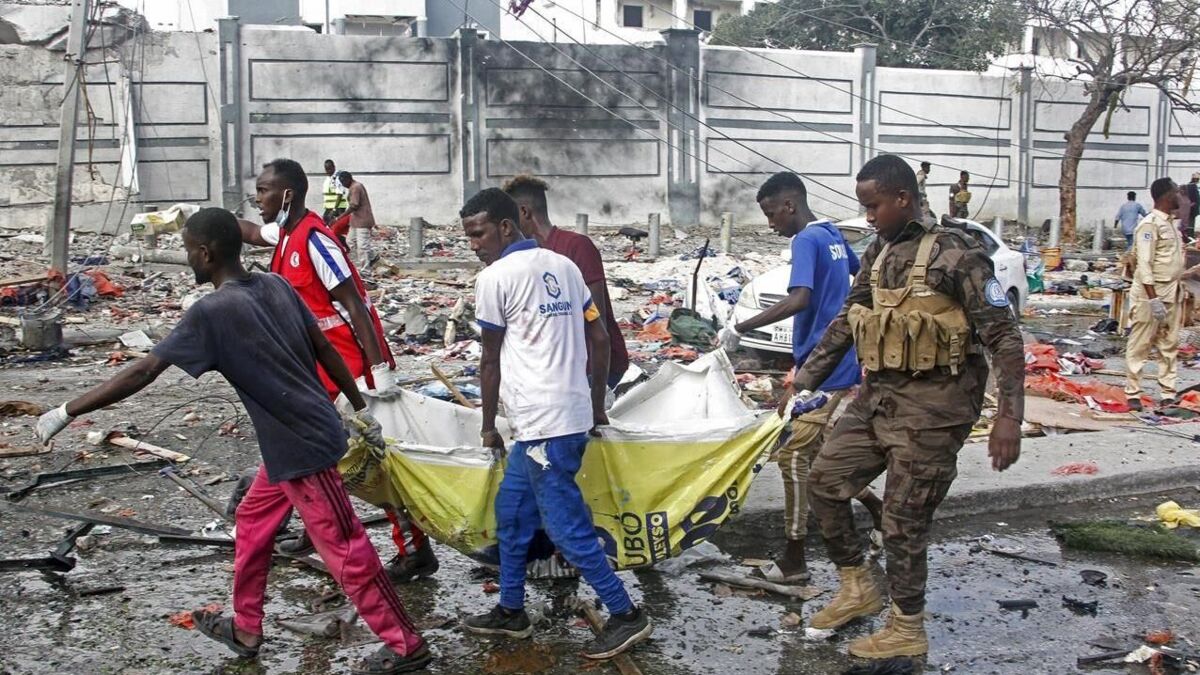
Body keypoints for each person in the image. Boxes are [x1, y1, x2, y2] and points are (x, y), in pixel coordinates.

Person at [35, 208, 430, 674]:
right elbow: (323, 348)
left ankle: (406, 645)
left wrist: (67, 410)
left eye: (188, 251)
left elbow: (143, 371)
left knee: (345, 549)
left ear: (206, 253)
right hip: (289, 444)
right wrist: (358, 409)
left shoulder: (212, 311)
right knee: (253, 520)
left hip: (304, 447)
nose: (188, 259)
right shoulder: (276, 285)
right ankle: (245, 627)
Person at [793, 154, 1024, 659]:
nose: (868, 216)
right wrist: (803, 381)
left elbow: (1004, 338)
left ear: (903, 198)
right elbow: (848, 318)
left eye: (873, 205)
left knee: (904, 521)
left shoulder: (958, 254)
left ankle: (906, 627)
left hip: (936, 410)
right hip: (879, 400)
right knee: (825, 482)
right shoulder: (878, 252)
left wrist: (1009, 417)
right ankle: (857, 587)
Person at [458, 188, 652, 660]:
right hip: (559, 419)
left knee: (566, 528)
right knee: (511, 515)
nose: (474, 245)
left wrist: (487, 425)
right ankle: (511, 609)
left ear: (506, 226)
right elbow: (599, 337)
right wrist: (595, 402)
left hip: (543, 425)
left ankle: (626, 614)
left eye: (478, 234)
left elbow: (490, 360)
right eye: (468, 236)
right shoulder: (564, 267)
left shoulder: (495, 278)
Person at [237, 158, 438, 583]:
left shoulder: (316, 240)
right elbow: (252, 233)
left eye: (263, 191)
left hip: (351, 370)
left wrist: (378, 371)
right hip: (319, 370)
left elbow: (356, 305)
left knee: (375, 464)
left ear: (287, 195)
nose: (258, 200)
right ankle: (317, 528)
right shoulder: (285, 235)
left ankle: (416, 550)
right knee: (314, 455)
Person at [714, 172, 884, 584]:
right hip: (832, 361)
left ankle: (794, 559)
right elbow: (861, 274)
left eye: (772, 214)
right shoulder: (832, 233)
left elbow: (799, 298)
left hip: (824, 370)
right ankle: (879, 512)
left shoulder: (806, 240)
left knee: (792, 457)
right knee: (818, 453)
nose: (771, 223)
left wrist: (740, 326)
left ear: (789, 205)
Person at [501, 174, 630, 390]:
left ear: (524, 212)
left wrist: (593, 385)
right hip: (558, 369)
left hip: (593, 367)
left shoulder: (576, 246)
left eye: (509, 218)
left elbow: (596, 318)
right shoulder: (527, 256)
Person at [1125, 177, 1185, 411]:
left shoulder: (1171, 224)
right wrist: (1153, 299)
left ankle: (1168, 392)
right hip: (1151, 295)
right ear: (1166, 196)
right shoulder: (1149, 225)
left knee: (1169, 344)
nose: (1181, 197)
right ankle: (1133, 393)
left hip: (1172, 293)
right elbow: (1145, 264)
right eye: (1177, 192)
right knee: (1140, 344)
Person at [342, 171, 376, 271]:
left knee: (362, 246)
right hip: (355, 221)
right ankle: (371, 257)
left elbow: (354, 205)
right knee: (349, 242)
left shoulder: (356, 187)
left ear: (348, 179)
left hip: (362, 220)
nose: (343, 185)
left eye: (343, 182)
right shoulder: (354, 187)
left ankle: (365, 268)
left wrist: (341, 217)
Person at [322, 159, 348, 225]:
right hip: (329, 208)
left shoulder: (337, 177)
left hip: (338, 208)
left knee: (337, 226)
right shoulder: (328, 178)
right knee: (326, 224)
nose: (327, 171)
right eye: (326, 169)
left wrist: (334, 209)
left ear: (334, 167)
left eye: (329, 169)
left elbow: (340, 194)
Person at [1184, 172, 1199, 241]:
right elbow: (1194, 199)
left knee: (1190, 224)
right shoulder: (1192, 186)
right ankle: (1189, 237)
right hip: (1191, 210)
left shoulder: (1191, 186)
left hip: (1191, 209)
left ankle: (1189, 236)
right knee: (1190, 224)